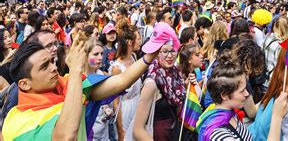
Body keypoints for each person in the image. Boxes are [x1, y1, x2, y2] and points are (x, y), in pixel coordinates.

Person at [3, 28, 163, 140]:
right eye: (45, 66)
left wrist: (149, 56)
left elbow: (122, 81)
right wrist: (75, 70)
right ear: (24, 84)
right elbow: (65, 136)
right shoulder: (16, 120)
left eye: (51, 62)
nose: (53, 68)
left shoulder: (65, 84)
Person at [197, 59, 288, 141]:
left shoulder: (230, 115)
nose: (246, 94)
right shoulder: (220, 134)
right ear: (224, 95)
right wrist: (277, 116)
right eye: (242, 91)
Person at [133, 22, 184, 141]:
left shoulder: (175, 74)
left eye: (173, 51)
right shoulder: (151, 83)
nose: (170, 56)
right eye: (165, 51)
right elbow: (137, 130)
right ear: (156, 53)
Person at [110, 24, 142, 140]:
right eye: (138, 39)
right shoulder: (117, 68)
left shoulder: (134, 57)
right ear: (130, 42)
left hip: (138, 106)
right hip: (125, 111)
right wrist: (120, 128)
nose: (140, 41)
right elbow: (116, 101)